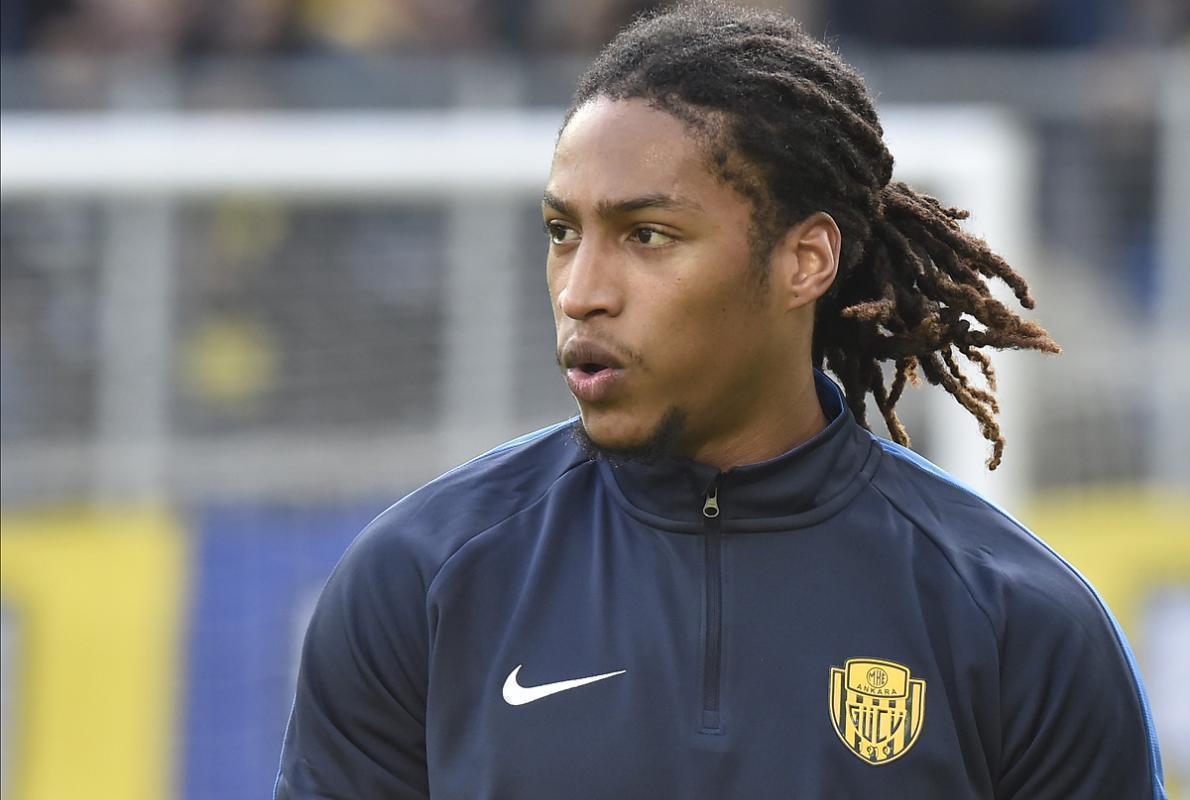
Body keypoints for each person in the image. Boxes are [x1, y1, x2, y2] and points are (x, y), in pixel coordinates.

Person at [274, 2, 1165, 797]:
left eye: (647, 235)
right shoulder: (420, 581)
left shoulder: (1017, 619)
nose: (581, 291)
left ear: (804, 261)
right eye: (562, 232)